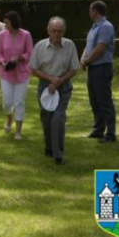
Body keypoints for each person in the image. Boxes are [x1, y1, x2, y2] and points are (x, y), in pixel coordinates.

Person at [30, 17, 80, 165]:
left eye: (60, 31)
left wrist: (58, 81)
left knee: (58, 118)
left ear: (63, 31)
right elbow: (34, 69)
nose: (57, 34)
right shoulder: (40, 46)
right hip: (45, 85)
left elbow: (74, 69)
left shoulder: (70, 45)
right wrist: (50, 79)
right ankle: (49, 146)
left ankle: (58, 155)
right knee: (46, 118)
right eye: (54, 31)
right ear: (48, 30)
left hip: (63, 84)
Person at [81, 1, 117, 143]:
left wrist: (87, 61)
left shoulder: (106, 27)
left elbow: (100, 48)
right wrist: (83, 59)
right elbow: (89, 46)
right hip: (93, 68)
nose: (89, 13)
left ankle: (111, 133)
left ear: (95, 11)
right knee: (95, 100)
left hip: (102, 68)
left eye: (90, 10)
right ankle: (98, 130)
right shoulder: (94, 28)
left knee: (104, 101)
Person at [0, 12, 33, 140]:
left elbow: (30, 53)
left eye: (7, 23)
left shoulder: (26, 35)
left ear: (14, 22)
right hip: (6, 73)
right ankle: (9, 118)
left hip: (22, 73)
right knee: (7, 102)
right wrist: (2, 61)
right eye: (4, 22)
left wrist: (20, 58)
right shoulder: (2, 35)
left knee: (19, 102)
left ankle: (18, 131)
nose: (5, 25)